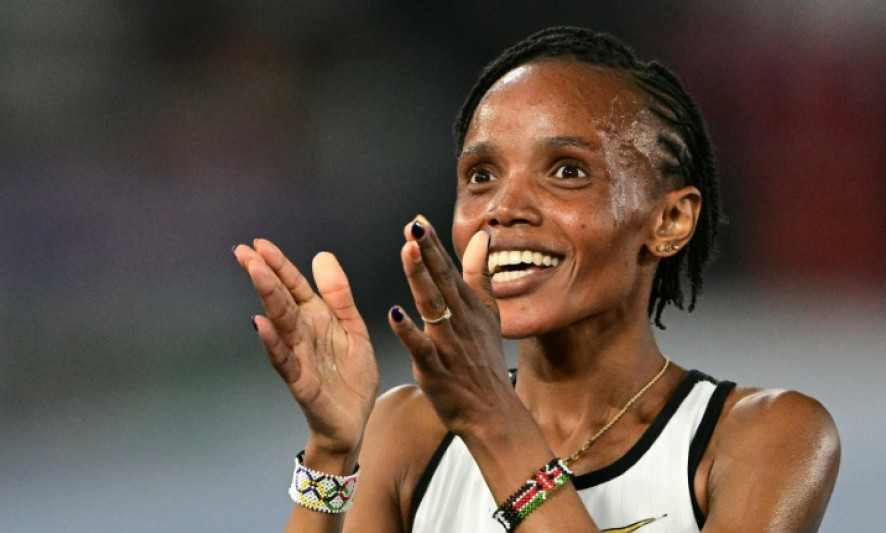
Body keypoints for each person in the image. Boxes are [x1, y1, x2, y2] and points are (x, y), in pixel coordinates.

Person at [232, 26, 840, 532]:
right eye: (481, 175)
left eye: (567, 170)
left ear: (670, 220)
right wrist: (332, 454)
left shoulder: (763, 435)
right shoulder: (410, 431)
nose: (503, 208)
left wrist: (493, 420)